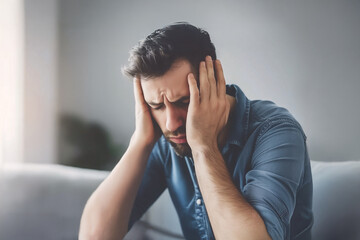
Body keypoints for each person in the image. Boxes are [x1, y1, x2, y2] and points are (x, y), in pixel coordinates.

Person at [79, 22, 313, 240]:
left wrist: (204, 147)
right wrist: (140, 142)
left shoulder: (277, 132)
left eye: (184, 102)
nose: (171, 123)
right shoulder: (166, 140)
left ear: (215, 84)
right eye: (157, 106)